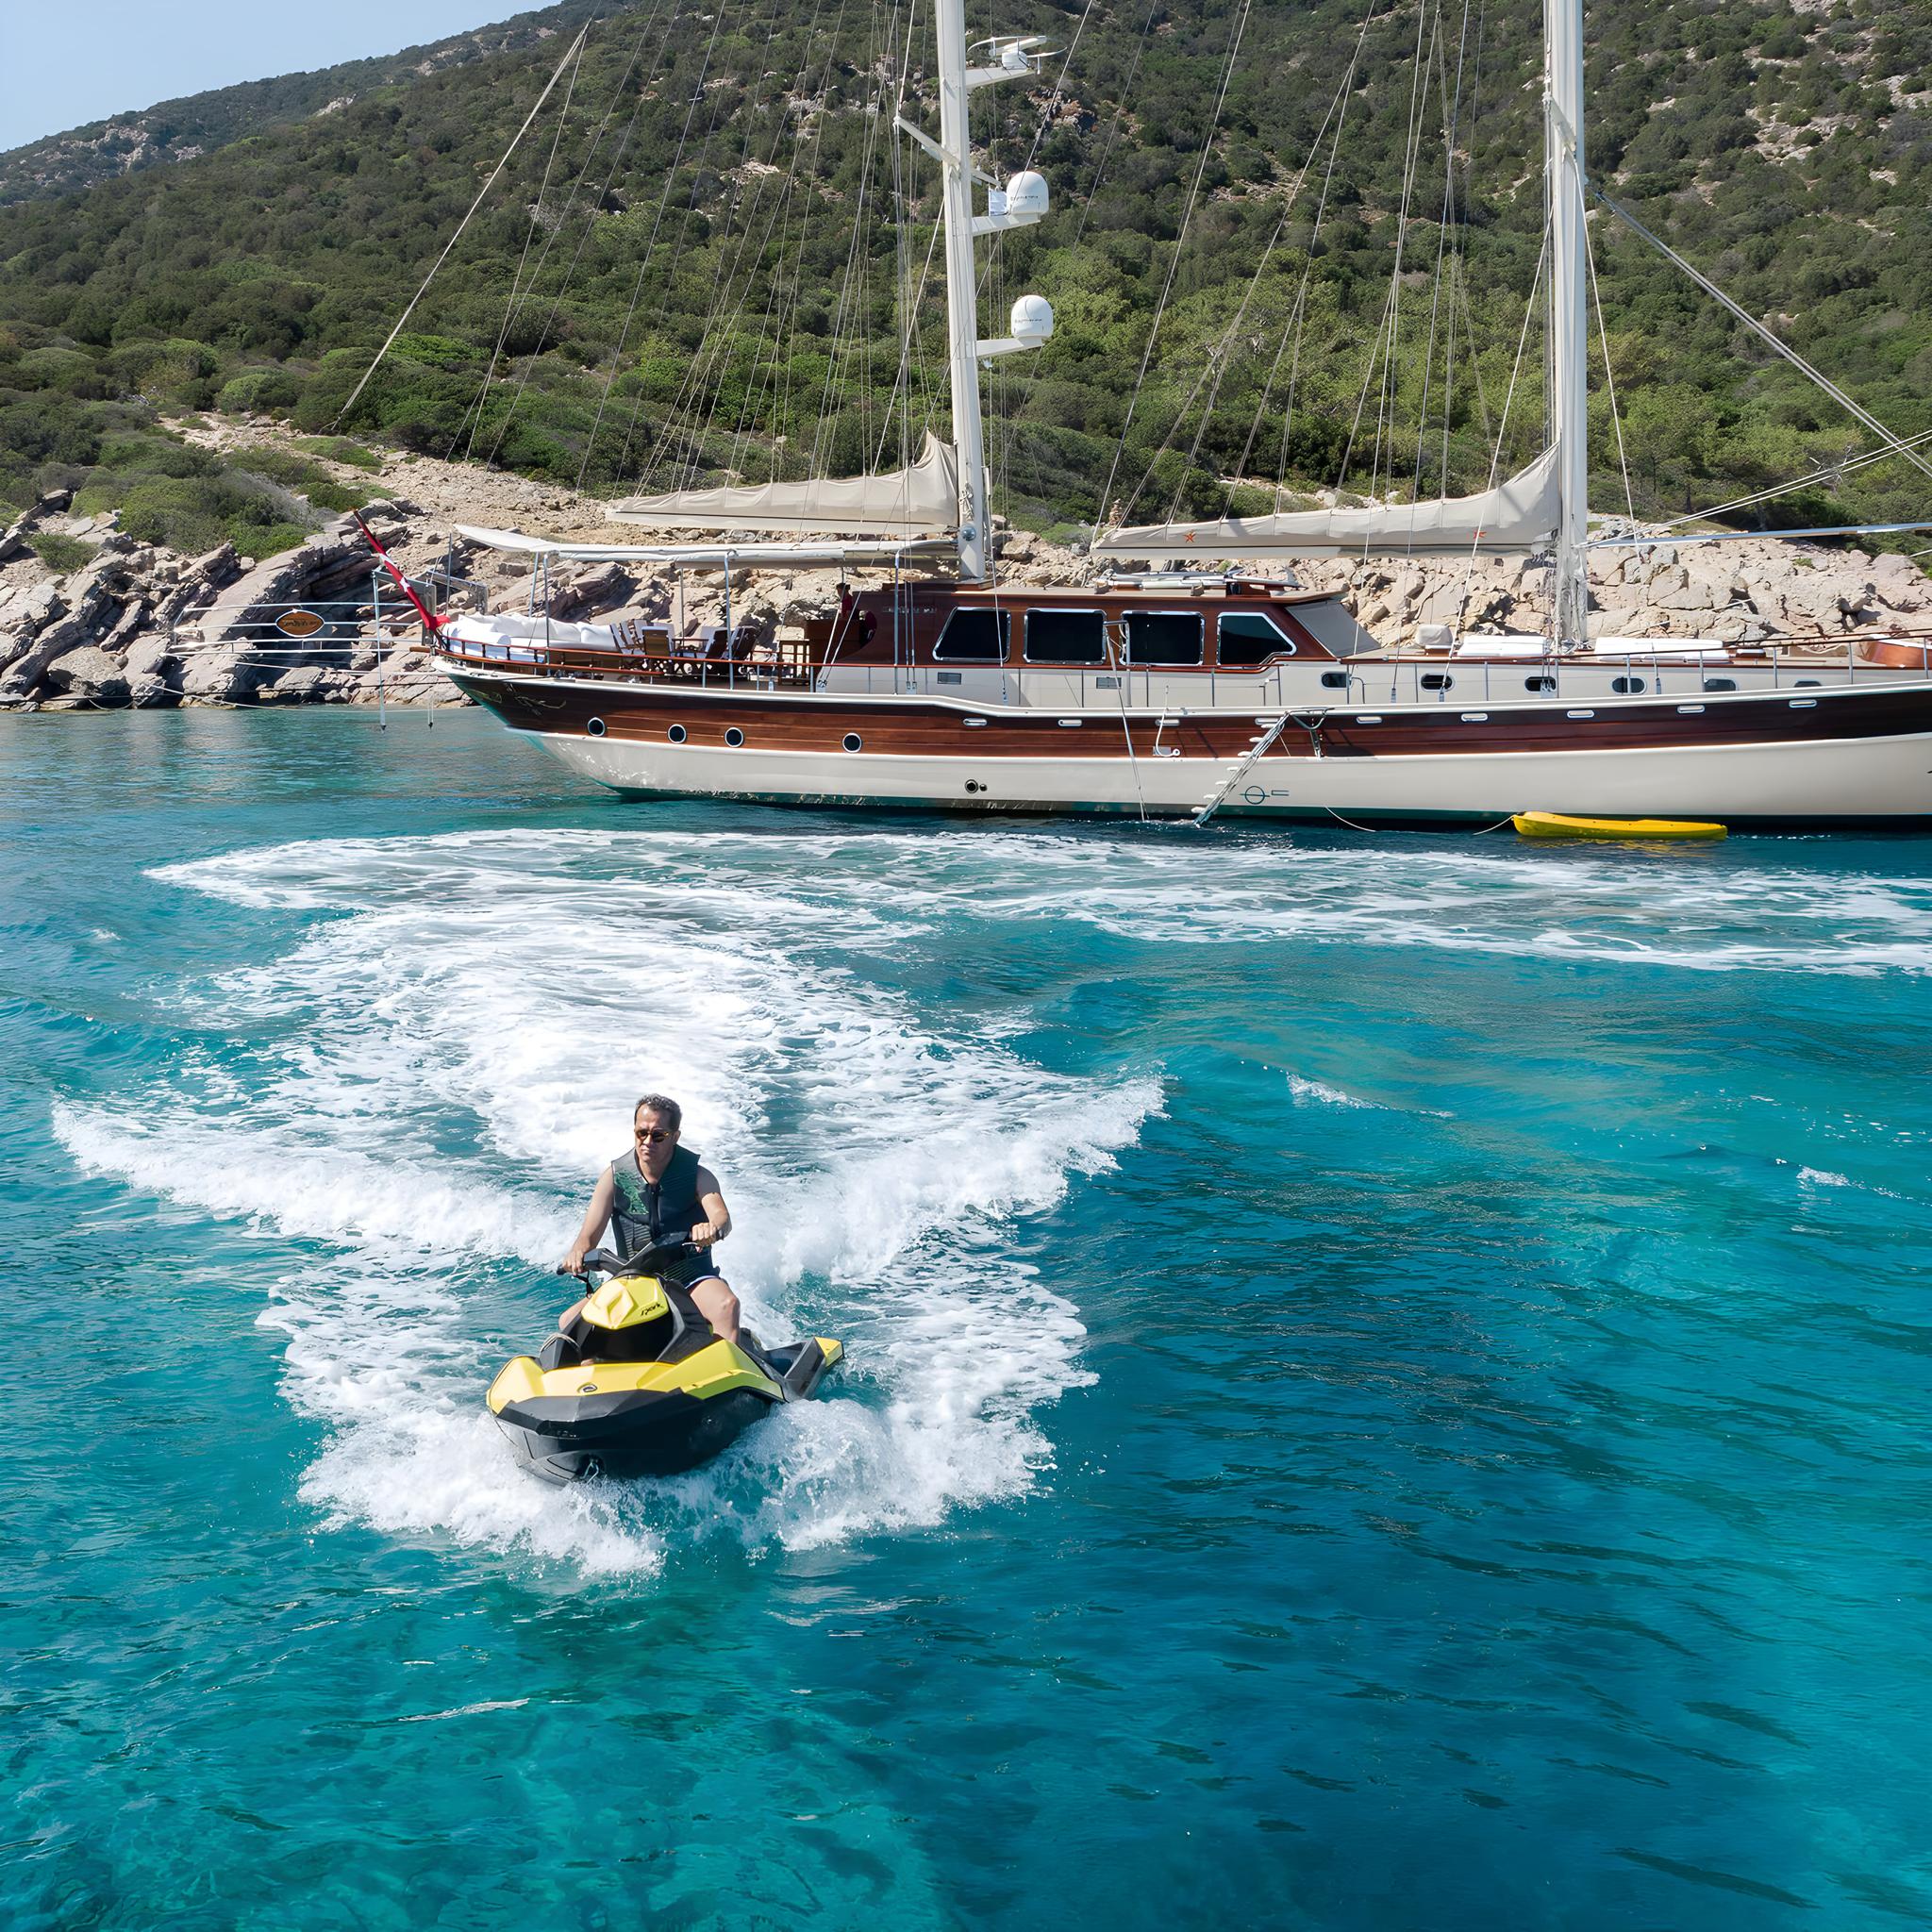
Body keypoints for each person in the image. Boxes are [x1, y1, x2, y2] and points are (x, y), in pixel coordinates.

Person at [558, 1093, 742, 1345]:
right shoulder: (613, 1179)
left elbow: (722, 1217)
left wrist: (711, 1228)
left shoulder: (699, 1177)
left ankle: (729, 1373)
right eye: (641, 1133)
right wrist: (577, 1254)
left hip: (689, 1278)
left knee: (726, 1305)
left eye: (658, 1136)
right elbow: (586, 1239)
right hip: (634, 1279)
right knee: (569, 1320)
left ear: (675, 1137)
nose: (647, 1142)